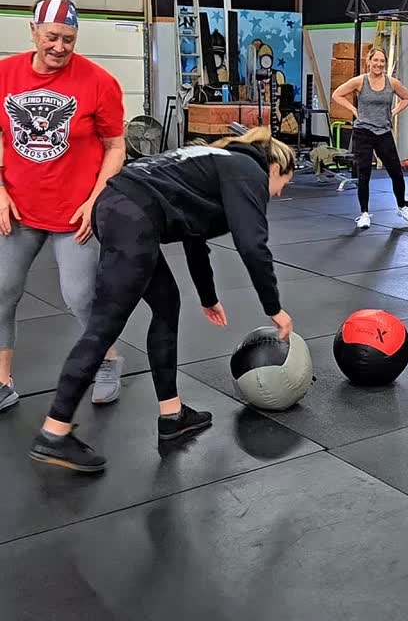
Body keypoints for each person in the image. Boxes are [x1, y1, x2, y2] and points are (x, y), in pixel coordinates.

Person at [29, 127, 296, 474]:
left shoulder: (217, 161)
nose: (279, 192)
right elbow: (252, 245)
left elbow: (194, 237)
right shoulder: (249, 171)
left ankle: (172, 415)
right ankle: (54, 432)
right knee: (104, 326)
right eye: (284, 183)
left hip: (119, 207)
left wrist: (208, 297)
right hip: (132, 215)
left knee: (167, 304)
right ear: (275, 167)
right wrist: (274, 308)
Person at [0, 0, 126, 413]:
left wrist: (96, 199)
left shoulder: (98, 81)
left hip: (75, 212)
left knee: (80, 296)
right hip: (19, 209)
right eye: (51, 37)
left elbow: (116, 145)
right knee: (1, 292)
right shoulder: (5, 75)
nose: (59, 47)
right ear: (33, 31)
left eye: (68, 39)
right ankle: (2, 381)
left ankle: (107, 359)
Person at [331, 46, 408, 229]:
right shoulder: (360, 81)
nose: (379, 64)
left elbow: (406, 98)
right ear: (369, 62)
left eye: (382, 61)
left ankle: (402, 207)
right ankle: (364, 213)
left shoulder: (392, 83)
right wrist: (354, 110)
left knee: (396, 172)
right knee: (364, 174)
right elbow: (337, 94)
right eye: (375, 60)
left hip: (383, 132)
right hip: (363, 132)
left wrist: (393, 112)